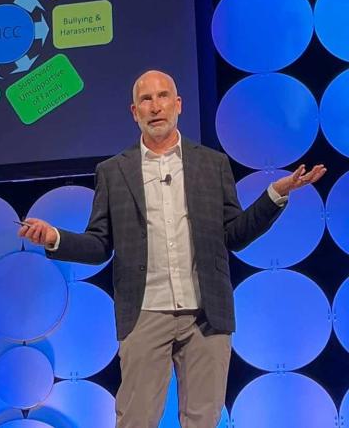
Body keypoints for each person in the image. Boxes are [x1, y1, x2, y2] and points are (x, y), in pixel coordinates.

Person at [17, 70, 327, 428]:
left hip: (206, 315)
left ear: (178, 105)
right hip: (145, 313)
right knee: (135, 420)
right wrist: (54, 237)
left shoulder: (212, 164)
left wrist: (276, 193)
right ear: (134, 112)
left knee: (202, 421)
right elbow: (100, 244)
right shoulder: (113, 172)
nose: (155, 106)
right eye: (146, 100)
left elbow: (235, 235)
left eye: (163, 96)